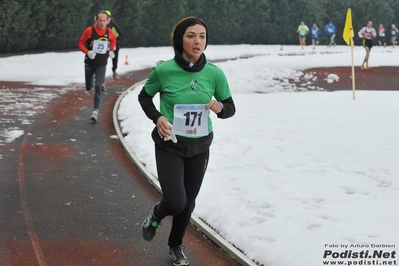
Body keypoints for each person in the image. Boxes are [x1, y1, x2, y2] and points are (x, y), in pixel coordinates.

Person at [138, 17, 235, 266]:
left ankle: (175, 245)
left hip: (200, 146)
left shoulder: (214, 73)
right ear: (180, 39)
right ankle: (156, 215)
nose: (197, 41)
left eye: (202, 36)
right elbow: (145, 97)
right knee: (176, 201)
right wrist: (158, 117)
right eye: (191, 35)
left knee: (188, 204)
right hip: (170, 144)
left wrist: (220, 107)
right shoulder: (164, 71)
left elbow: (230, 107)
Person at [77, 11, 116, 122]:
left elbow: (113, 40)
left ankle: (95, 111)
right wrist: (87, 52)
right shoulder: (89, 30)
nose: (102, 23)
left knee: (98, 86)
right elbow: (80, 43)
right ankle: (92, 81)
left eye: (104, 20)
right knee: (89, 86)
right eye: (100, 20)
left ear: (107, 21)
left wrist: (112, 50)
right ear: (96, 20)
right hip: (89, 62)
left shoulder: (109, 31)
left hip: (101, 63)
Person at [105, 10, 124, 80]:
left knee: (115, 60)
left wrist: (116, 39)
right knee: (102, 61)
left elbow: (121, 33)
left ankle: (114, 70)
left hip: (114, 45)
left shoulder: (113, 25)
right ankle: (100, 75)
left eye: (107, 17)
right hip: (104, 46)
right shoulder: (100, 25)